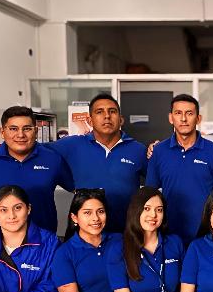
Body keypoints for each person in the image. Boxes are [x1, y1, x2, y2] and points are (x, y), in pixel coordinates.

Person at [0, 106, 73, 233]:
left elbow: (77, 190)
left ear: (36, 131)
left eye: (27, 128)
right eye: (13, 129)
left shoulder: (53, 159)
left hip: (42, 240)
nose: (20, 135)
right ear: (2, 132)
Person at [49, 94, 147, 233]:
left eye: (112, 111)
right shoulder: (72, 145)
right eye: (99, 112)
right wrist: (66, 183)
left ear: (121, 120)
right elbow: (36, 152)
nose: (107, 116)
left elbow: (156, 184)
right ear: (90, 120)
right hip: (84, 235)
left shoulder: (138, 150)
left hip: (125, 233)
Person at [146, 95, 213, 244]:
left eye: (189, 113)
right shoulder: (159, 151)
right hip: (168, 235)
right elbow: (150, 194)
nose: (183, 119)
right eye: (178, 113)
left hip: (205, 235)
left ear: (198, 118)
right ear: (171, 118)